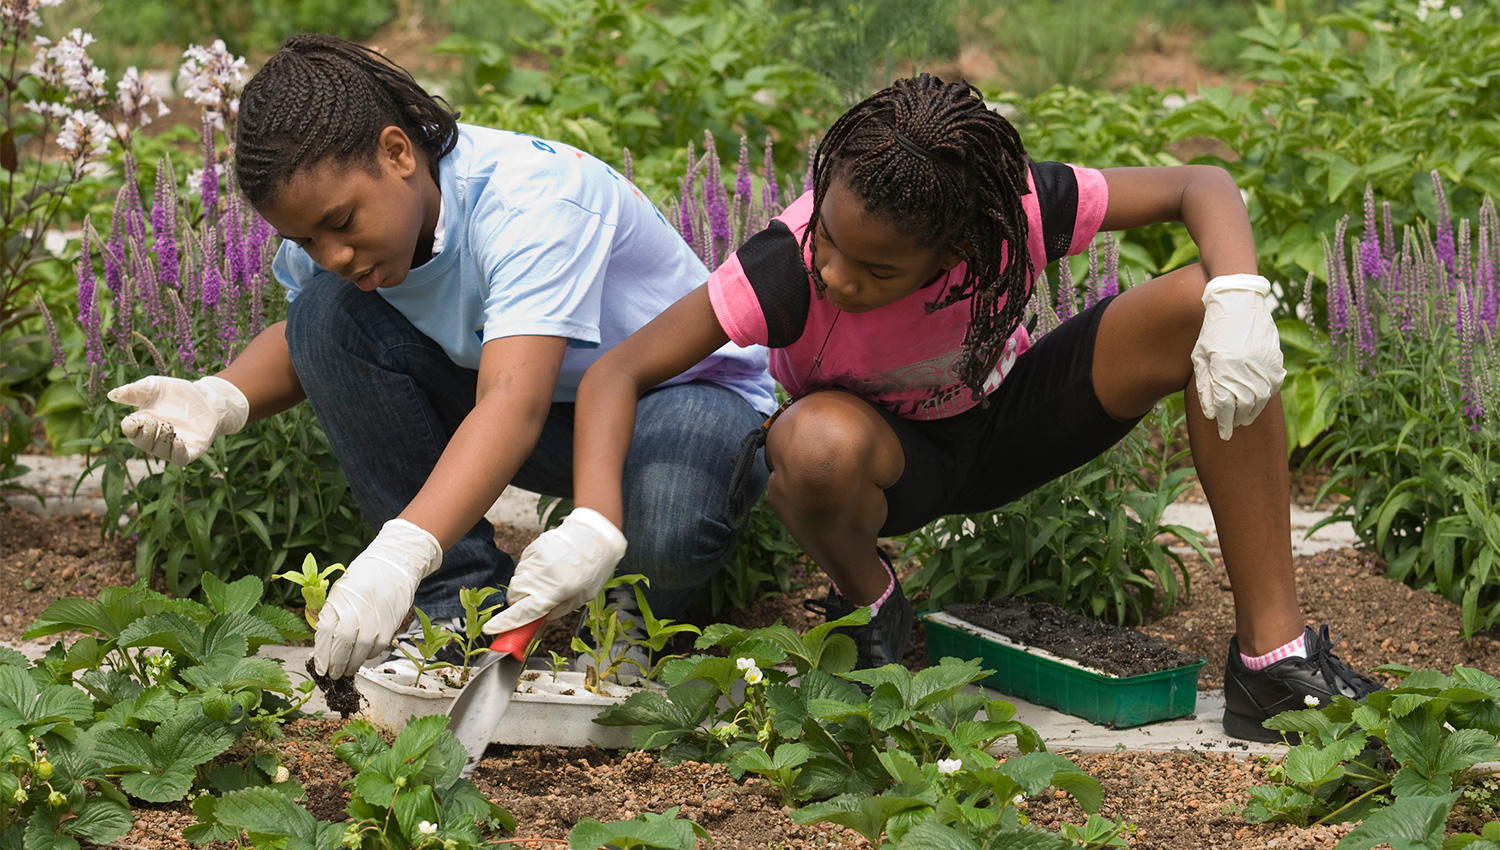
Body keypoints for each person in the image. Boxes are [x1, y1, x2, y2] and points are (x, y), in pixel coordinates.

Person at [482, 74, 1384, 742]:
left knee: (1203, 306)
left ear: (958, 245)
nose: (836, 272)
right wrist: (598, 519)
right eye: (830, 240)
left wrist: (1236, 294)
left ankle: (1272, 664)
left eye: (876, 271)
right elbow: (617, 372)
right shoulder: (787, 265)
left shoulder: (1013, 211)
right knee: (809, 440)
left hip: (1010, 419)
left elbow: (1202, 185)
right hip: (884, 464)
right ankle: (873, 604)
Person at [104, 33, 777, 683]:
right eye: (305, 240)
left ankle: (635, 620)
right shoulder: (351, 242)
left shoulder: (529, 203)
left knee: (665, 512)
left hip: (690, 407)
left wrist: (399, 551)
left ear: (397, 153)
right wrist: (220, 397)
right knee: (326, 312)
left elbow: (513, 403)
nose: (330, 254)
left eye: (340, 224)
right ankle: (453, 610)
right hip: (556, 414)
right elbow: (309, 338)